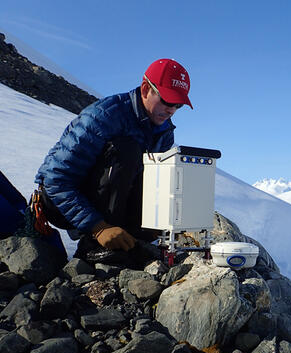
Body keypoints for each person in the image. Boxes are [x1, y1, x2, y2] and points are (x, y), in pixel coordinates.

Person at [34, 58, 192, 265]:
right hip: (63, 202)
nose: (172, 110)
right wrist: (98, 227)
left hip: (112, 201)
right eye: (168, 101)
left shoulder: (163, 132)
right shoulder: (103, 117)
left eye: (178, 104)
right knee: (127, 150)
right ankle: (93, 246)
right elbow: (56, 180)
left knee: (158, 173)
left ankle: (130, 242)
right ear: (146, 89)